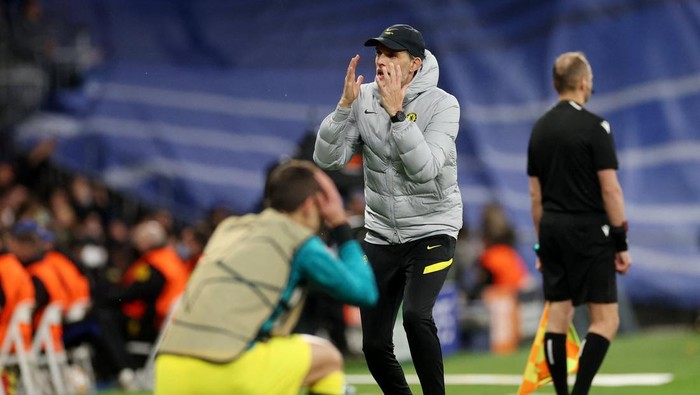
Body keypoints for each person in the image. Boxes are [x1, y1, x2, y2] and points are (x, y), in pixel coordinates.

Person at [314, 24, 462, 395]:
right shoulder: (363, 98)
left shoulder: (444, 104)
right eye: (379, 53)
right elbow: (328, 159)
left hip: (432, 228)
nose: (381, 61)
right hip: (381, 233)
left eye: (391, 55)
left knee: (415, 316)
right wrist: (343, 107)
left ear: (414, 64)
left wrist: (397, 115)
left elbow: (426, 169)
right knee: (374, 345)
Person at [154, 159, 378, 395]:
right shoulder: (299, 241)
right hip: (227, 367)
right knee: (327, 358)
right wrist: (340, 224)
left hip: (169, 368)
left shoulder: (230, 228)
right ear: (311, 204)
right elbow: (364, 292)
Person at [527, 51, 632, 395]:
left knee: (559, 313)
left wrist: (541, 243)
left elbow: (535, 196)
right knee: (606, 320)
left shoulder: (539, 129)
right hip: (589, 230)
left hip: (552, 229)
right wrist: (620, 242)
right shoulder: (595, 126)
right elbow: (611, 189)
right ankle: (579, 393)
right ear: (584, 83)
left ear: (556, 84)